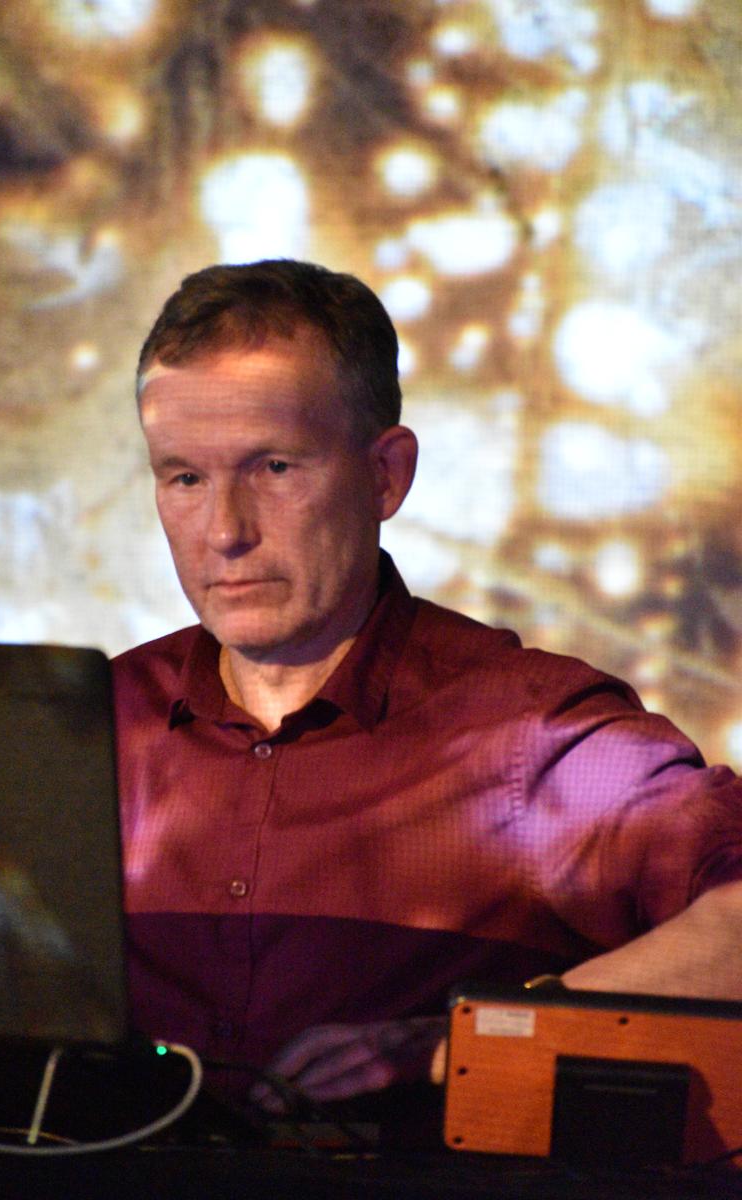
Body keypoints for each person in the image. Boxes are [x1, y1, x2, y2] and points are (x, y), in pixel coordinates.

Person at [113, 259, 742, 1119]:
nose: (224, 532)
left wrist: (472, 1040)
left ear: (387, 475)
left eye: (275, 468)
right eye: (185, 477)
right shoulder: (91, 727)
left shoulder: (525, 737)